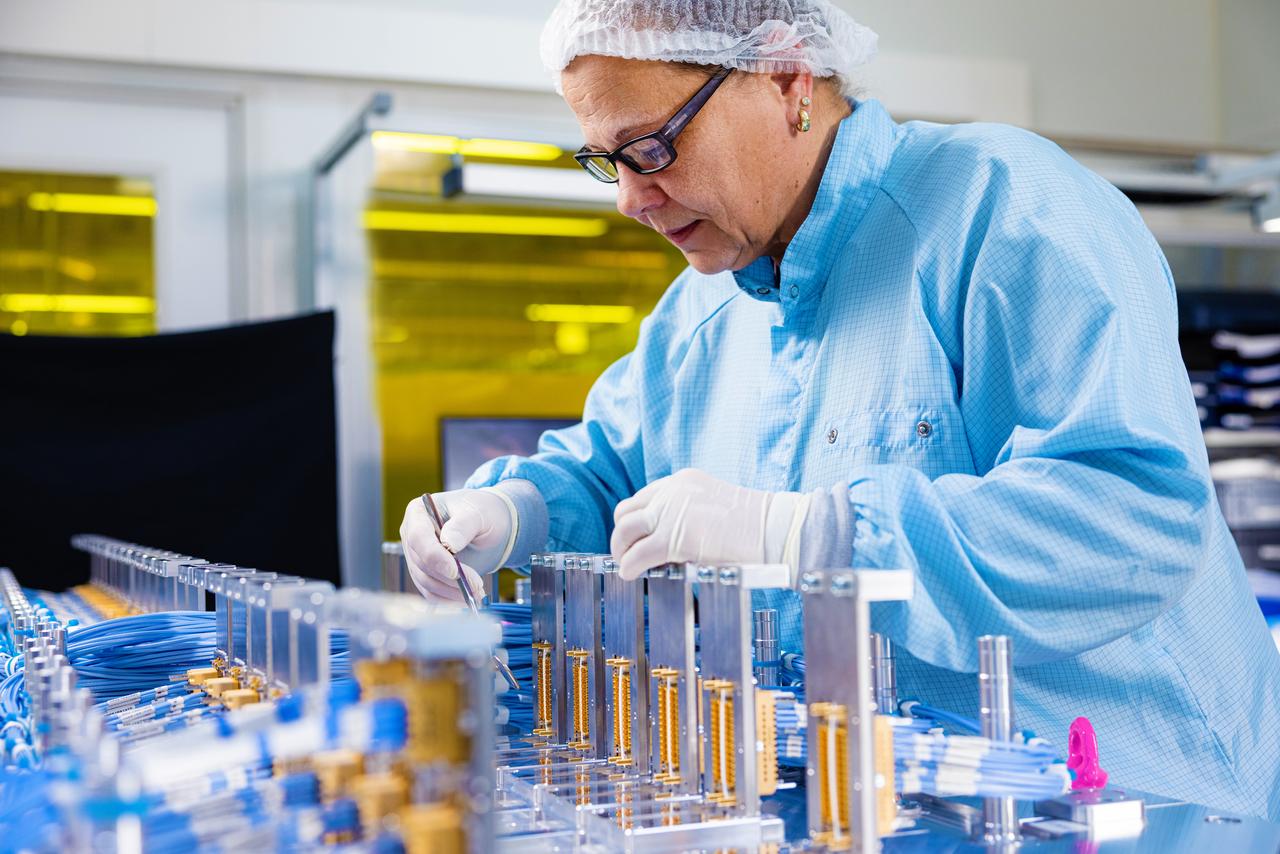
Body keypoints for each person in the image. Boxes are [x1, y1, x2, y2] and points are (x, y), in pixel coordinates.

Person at [399, 0, 1280, 819]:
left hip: (1132, 804)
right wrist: (507, 512)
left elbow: (1134, 515)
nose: (630, 197)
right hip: (888, 810)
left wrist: (814, 534)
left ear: (786, 79)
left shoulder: (1004, 208)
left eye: (652, 148)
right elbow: (616, 480)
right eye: (605, 162)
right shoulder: (702, 312)